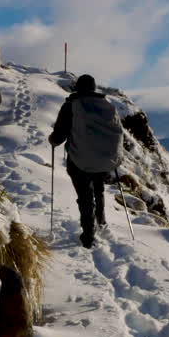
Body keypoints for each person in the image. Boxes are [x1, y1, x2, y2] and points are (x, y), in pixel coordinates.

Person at [49, 74, 123, 248]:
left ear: (78, 88)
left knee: (85, 196)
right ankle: (101, 220)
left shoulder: (71, 105)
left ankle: (89, 236)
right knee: (98, 188)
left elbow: (59, 135)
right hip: (104, 158)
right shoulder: (107, 105)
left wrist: (53, 140)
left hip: (80, 160)